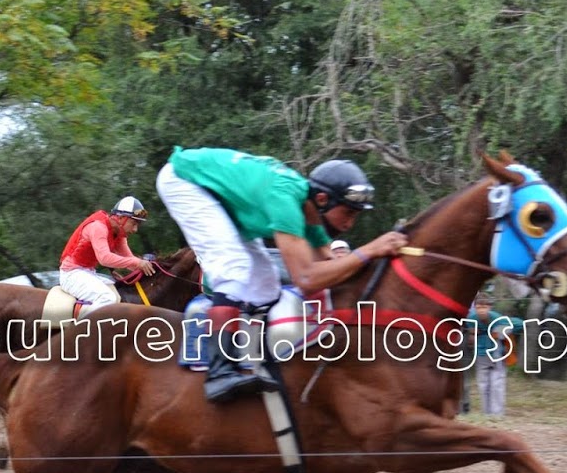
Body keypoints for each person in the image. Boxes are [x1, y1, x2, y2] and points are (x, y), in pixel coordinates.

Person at [156, 147, 407, 402]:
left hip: (217, 191)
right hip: (183, 179)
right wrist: (370, 249)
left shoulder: (308, 211)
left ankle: (252, 360)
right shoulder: (286, 202)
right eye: (348, 212)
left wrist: (380, 260)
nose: (349, 224)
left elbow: (333, 265)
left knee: (267, 283)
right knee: (234, 267)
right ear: (322, 199)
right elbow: (307, 280)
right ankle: (220, 374)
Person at [58, 197, 155, 317]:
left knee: (119, 292)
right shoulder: (98, 227)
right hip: (71, 274)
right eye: (134, 223)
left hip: (87, 273)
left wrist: (149, 269)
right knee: (107, 298)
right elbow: (104, 258)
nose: (135, 229)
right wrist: (137, 262)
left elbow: (130, 261)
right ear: (120, 218)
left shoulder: (119, 233)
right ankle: (78, 330)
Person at [468, 293, 523, 417]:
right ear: (475, 307)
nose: (481, 310)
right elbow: (467, 331)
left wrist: (500, 332)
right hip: (481, 354)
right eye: (478, 307)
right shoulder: (471, 319)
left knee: (497, 384)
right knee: (483, 384)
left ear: (489, 307)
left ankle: (497, 414)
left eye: (484, 307)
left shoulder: (498, 318)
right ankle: (486, 414)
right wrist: (472, 334)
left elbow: (519, 324)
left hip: (497, 353)